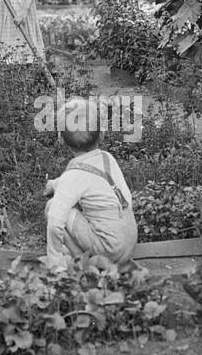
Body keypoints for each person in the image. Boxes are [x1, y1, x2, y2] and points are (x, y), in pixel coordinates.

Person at [44, 97, 138, 266]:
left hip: (109, 250)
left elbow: (54, 221)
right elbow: (89, 179)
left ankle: (79, 261)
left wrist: (54, 260)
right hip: (129, 241)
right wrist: (54, 184)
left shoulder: (72, 176)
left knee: (53, 208)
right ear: (101, 134)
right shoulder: (107, 158)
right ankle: (93, 256)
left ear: (60, 139)